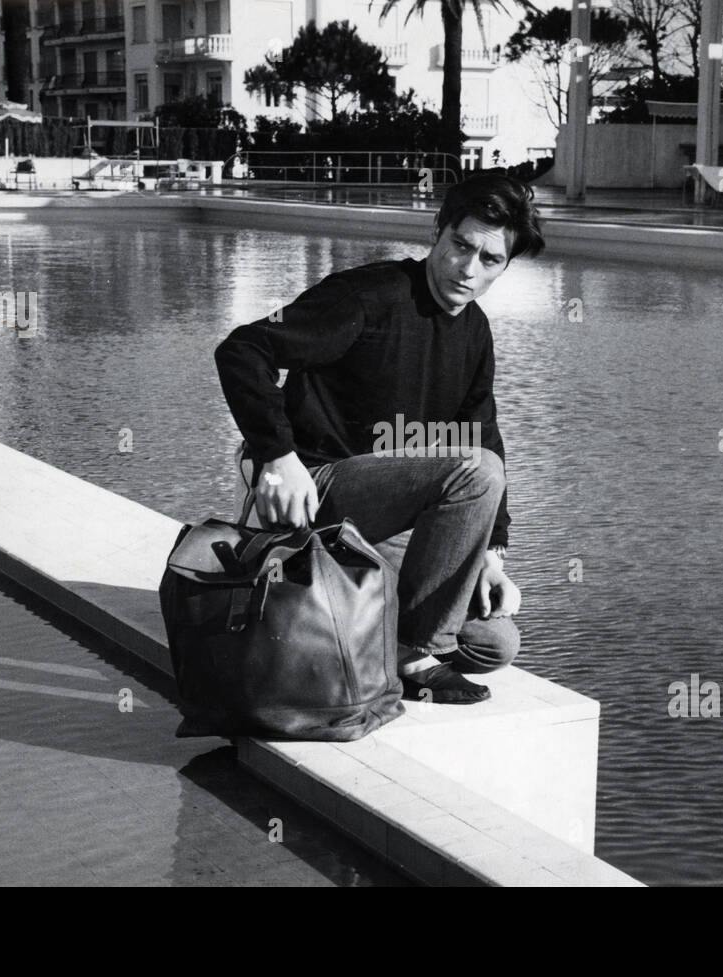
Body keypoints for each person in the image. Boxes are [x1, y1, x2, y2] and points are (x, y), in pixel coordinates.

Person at [214, 170, 544, 704]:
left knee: (494, 642)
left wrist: (489, 557)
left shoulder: (475, 331)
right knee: (475, 470)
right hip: (319, 492)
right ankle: (412, 653)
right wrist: (277, 456)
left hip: (385, 518)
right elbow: (243, 350)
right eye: (461, 246)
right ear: (438, 231)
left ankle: (363, 636)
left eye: (490, 260)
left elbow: (483, 431)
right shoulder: (368, 296)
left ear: (504, 266)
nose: (468, 268)